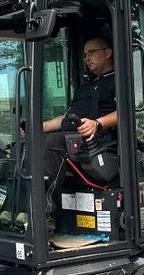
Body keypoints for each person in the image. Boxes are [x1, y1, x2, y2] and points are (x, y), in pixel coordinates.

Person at [42, 37, 118, 216]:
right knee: (30, 142)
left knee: (53, 143)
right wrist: (39, 127)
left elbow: (126, 112)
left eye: (92, 53)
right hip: (72, 138)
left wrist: (97, 124)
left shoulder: (118, 81)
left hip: (98, 141)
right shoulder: (85, 87)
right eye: (85, 55)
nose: (87, 58)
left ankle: (42, 213)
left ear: (107, 53)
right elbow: (67, 116)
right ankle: (18, 206)